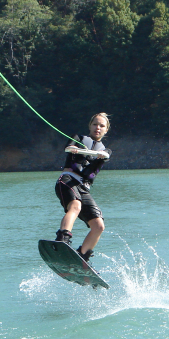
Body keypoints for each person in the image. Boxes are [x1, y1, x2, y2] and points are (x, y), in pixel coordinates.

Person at [55, 112, 112, 262]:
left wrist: (101, 154)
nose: (97, 128)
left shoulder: (105, 150)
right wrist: (73, 148)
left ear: (106, 130)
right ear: (90, 126)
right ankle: (63, 239)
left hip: (83, 188)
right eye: (95, 124)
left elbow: (106, 155)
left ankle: (82, 256)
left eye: (102, 126)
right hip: (68, 180)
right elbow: (68, 147)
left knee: (99, 226)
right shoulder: (78, 139)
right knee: (75, 206)